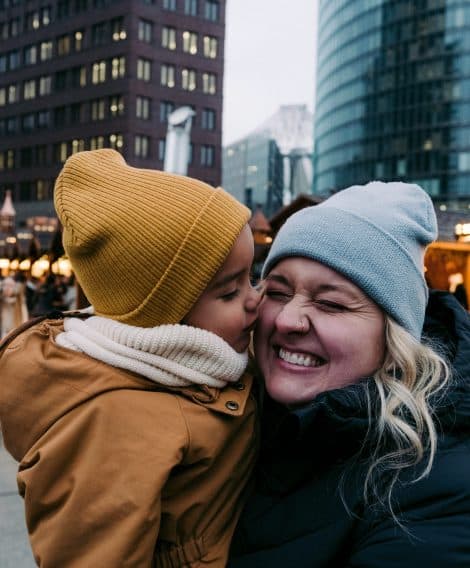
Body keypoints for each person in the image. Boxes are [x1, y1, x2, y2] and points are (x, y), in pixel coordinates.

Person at [0, 149, 263, 566]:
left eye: (254, 277)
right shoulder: (113, 423)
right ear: (163, 316)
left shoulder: (202, 369)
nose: (256, 300)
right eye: (231, 291)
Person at [230, 181, 470, 567]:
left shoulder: (435, 489)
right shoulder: (222, 413)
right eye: (277, 292)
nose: (289, 320)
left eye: (330, 304)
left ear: (395, 341)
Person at [0, 274, 28, 338]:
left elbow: (24, 319)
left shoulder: (20, 302)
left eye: (10, 285)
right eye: (5, 285)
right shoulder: (1, 301)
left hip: (14, 334)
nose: (7, 288)